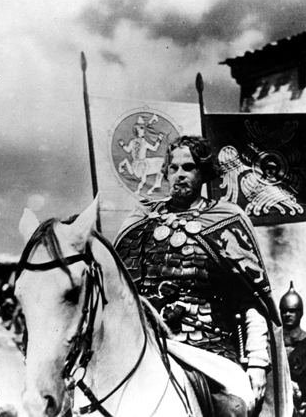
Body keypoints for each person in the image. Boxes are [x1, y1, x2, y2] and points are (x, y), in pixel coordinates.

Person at [115, 135, 289, 417]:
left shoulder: (226, 219)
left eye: (189, 167)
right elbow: (118, 290)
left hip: (209, 349)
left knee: (233, 409)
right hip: (147, 347)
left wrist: (258, 361)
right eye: (174, 168)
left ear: (204, 172)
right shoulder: (142, 220)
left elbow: (252, 298)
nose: (180, 175)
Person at [280, 281, 306, 357]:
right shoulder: (275, 339)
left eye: (292, 311)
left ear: (300, 313)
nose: (287, 314)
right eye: (284, 311)